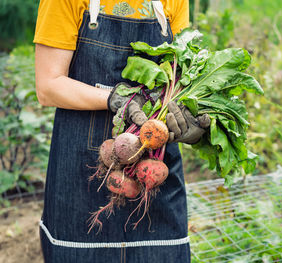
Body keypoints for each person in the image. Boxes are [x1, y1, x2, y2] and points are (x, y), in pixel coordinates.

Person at [34, 0, 209, 262]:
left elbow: (179, 72)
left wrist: (188, 119)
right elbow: (48, 86)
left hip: (152, 173)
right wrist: (114, 98)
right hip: (83, 169)